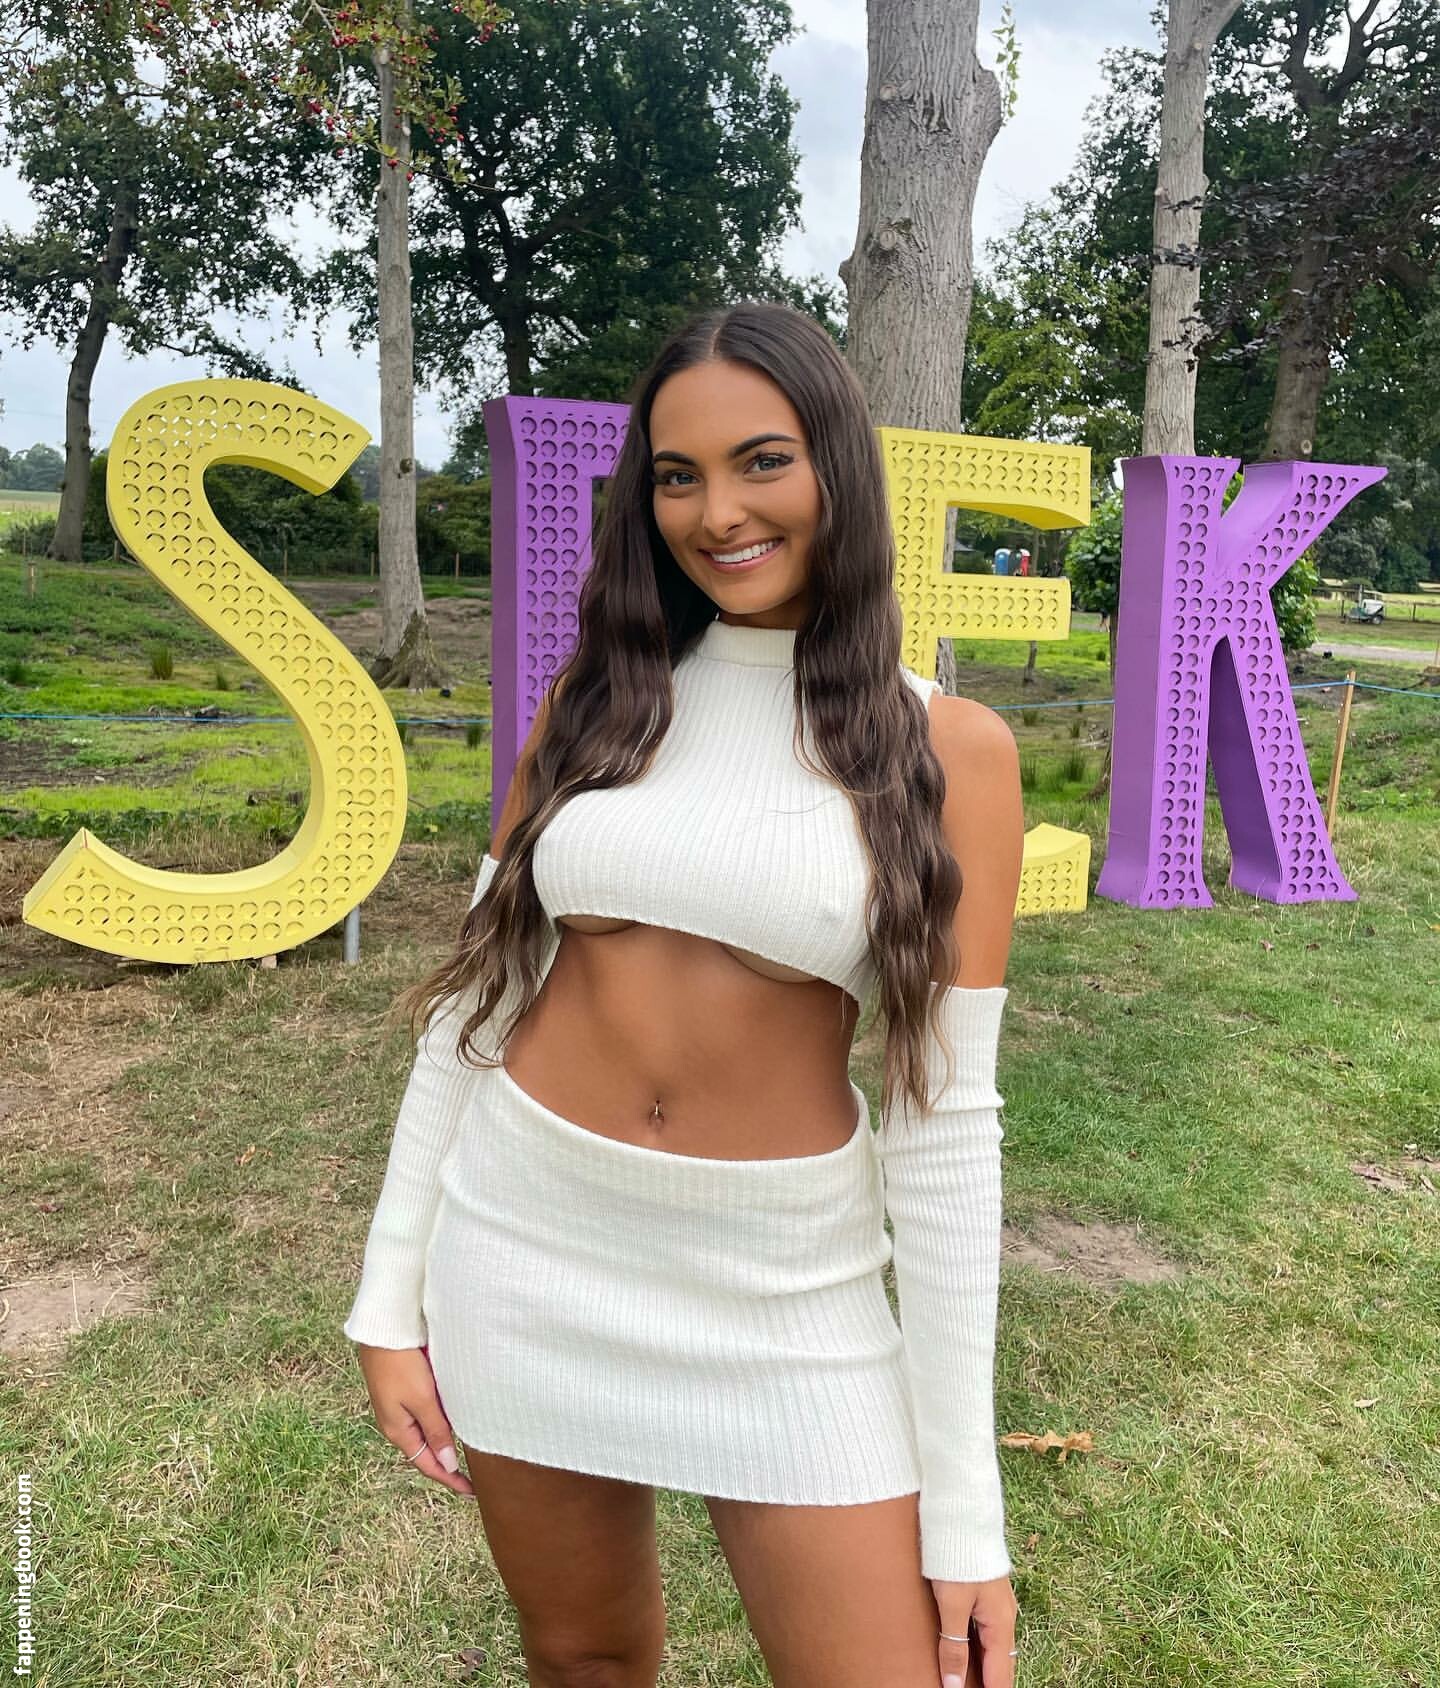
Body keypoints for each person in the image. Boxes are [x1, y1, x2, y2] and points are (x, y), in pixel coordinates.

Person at [344, 301, 1025, 1688]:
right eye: (677, 475)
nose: (719, 512)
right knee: (584, 1658)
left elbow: (946, 1127)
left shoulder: (949, 751)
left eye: (762, 460)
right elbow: (479, 1004)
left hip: (785, 1291)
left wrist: (966, 1508)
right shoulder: (598, 702)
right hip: (526, 1249)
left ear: (838, 465)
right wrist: (387, 1298)